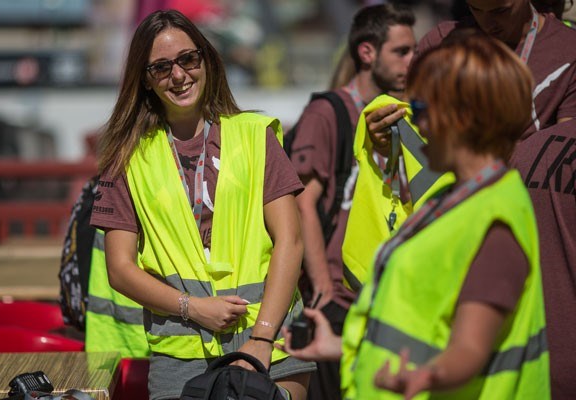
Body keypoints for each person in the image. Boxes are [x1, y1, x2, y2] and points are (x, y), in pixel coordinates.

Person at [280, 33, 550, 399]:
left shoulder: (493, 218)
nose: (415, 126)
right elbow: (421, 324)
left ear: (463, 119)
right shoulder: (451, 199)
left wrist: (427, 377)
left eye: (420, 111)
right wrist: (344, 347)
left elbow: (470, 348)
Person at [90, 9, 314, 400]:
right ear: (145, 80)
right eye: (161, 68)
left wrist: (261, 337)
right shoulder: (125, 158)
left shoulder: (256, 135)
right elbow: (120, 270)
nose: (178, 75)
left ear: (206, 59)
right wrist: (192, 307)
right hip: (182, 353)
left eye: (188, 59)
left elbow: (291, 241)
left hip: (271, 338)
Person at [412, 1, 576, 397]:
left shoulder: (567, 52)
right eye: (477, 8)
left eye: (500, 10)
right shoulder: (443, 42)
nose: (488, 22)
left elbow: (558, 159)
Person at [287, 5, 417, 399]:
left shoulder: (398, 115)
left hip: (376, 295)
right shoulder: (327, 112)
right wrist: (323, 286)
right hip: (336, 300)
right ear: (367, 53)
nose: (412, 61)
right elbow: (302, 203)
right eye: (401, 51)